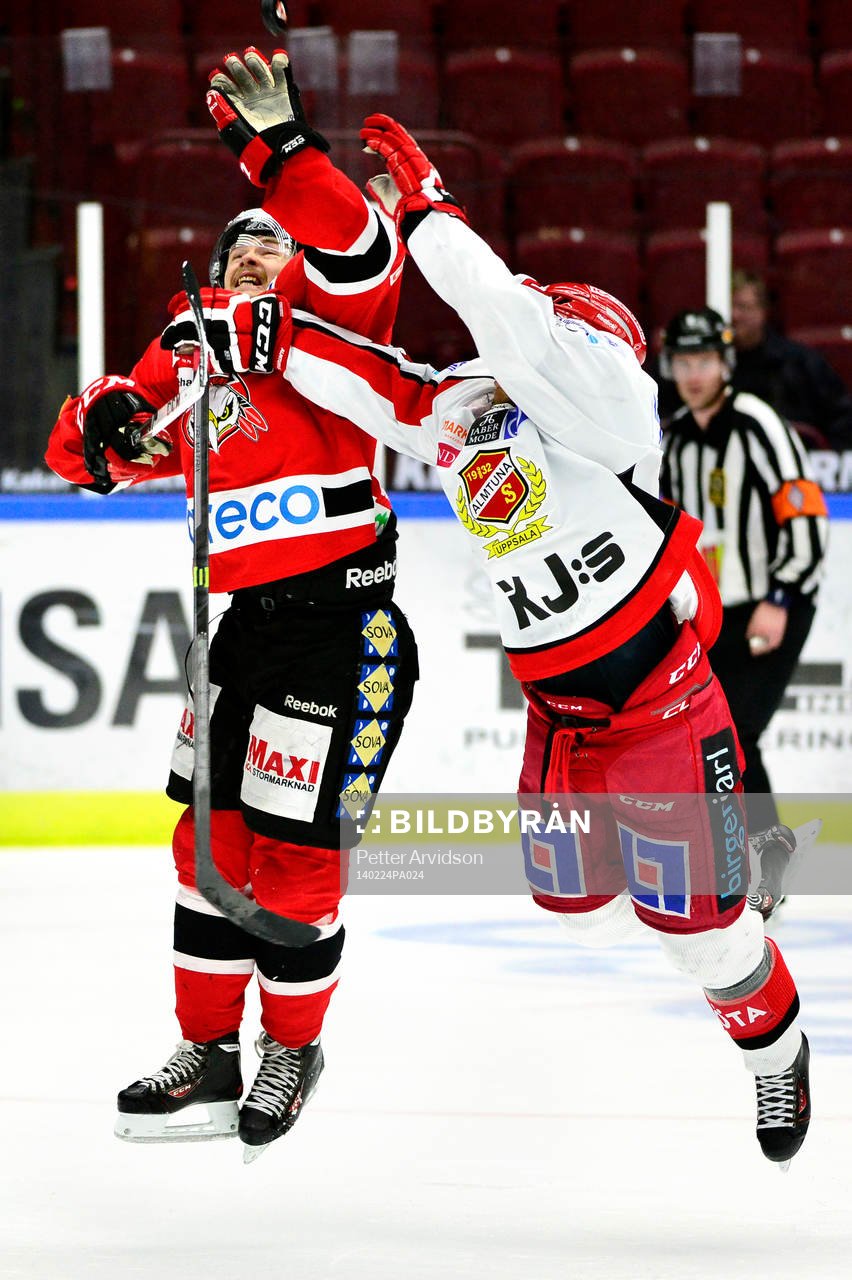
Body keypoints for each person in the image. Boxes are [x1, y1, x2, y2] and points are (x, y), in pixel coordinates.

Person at [201, 114, 813, 1167]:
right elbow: (382, 386)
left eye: (550, 321)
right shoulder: (473, 403)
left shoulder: (617, 405)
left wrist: (431, 216)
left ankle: (776, 1047)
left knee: (704, 931)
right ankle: (715, 891)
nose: (524, 328)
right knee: (572, 908)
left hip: (661, 705)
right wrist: (275, 339)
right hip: (559, 714)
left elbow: (511, 321)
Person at [44, 51, 418, 1162]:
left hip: (342, 629)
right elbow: (93, 451)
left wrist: (284, 150)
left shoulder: (334, 324)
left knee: (297, 858)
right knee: (206, 843)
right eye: (239, 243)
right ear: (212, 274)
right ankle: (206, 1051)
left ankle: (291, 1047)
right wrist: (104, 421)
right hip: (242, 632)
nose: (257, 248)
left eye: (274, 239)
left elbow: (355, 246)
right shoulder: (193, 350)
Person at [659, 307, 828, 914]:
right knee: (714, 740)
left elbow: (804, 512)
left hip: (774, 603)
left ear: (726, 363)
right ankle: (747, 857)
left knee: (738, 734)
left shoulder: (758, 423)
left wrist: (780, 598)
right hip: (713, 615)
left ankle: (767, 862)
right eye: (683, 361)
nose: (693, 374)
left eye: (704, 360)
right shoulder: (675, 437)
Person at [729, 269, 852, 451]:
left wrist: (824, 460)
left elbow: (843, 419)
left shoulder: (801, 363)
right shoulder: (712, 369)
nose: (734, 315)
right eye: (729, 306)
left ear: (763, 311)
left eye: (742, 306)